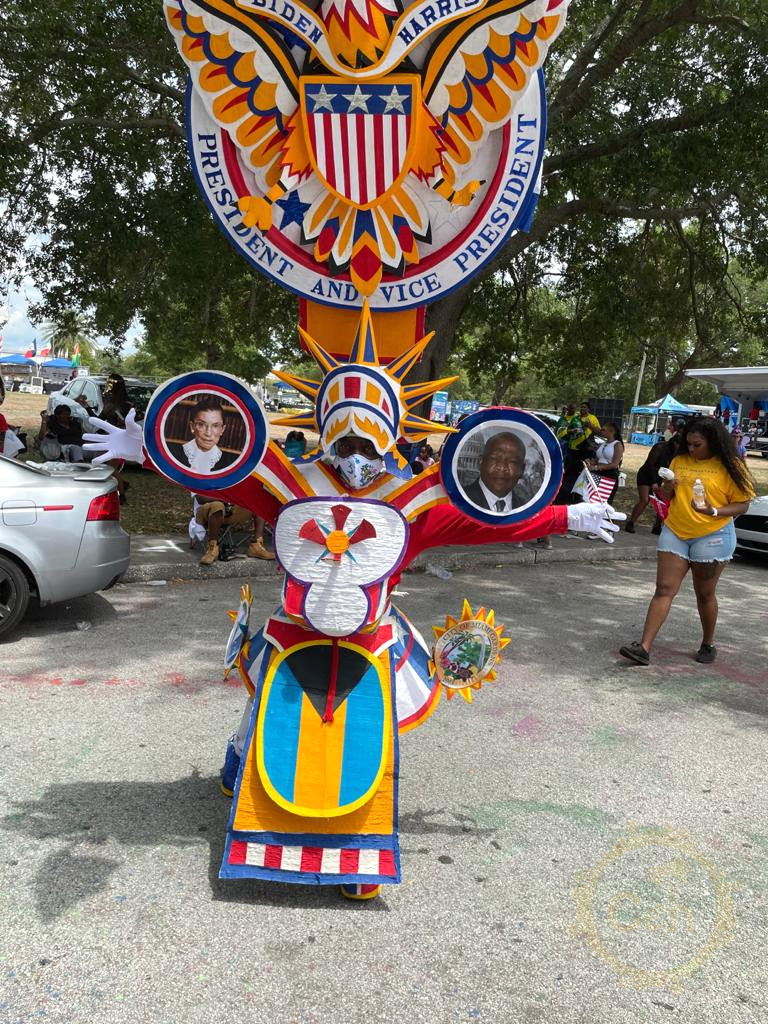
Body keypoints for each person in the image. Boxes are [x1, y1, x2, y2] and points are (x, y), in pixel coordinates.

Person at [83, 305, 624, 900]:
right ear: (325, 427)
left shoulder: (410, 499)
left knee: (372, 735)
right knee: (263, 712)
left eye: (367, 434)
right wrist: (147, 449)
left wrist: (566, 514)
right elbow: (224, 478)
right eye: (344, 433)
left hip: (370, 641)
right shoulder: (294, 485)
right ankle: (239, 769)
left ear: (391, 432)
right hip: (295, 630)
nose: (355, 448)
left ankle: (354, 856)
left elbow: (486, 521)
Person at [619, 417, 755, 667]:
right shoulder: (679, 461)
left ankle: (708, 643)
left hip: (713, 535)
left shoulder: (730, 465)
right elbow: (665, 495)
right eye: (688, 444)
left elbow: (743, 504)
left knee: (704, 594)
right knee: (664, 589)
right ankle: (644, 648)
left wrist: (714, 511)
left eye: (697, 445)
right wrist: (668, 486)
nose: (691, 450)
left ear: (713, 442)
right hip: (676, 531)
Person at [625, 419, 685, 534]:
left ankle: (657, 526)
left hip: (661, 478)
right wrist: (653, 482)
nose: (678, 449)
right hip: (647, 474)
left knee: (663, 502)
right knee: (645, 500)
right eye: (677, 446)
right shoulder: (660, 447)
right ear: (674, 443)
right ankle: (631, 522)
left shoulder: (678, 455)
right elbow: (650, 465)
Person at [167, 396, 239, 473]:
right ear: (192, 427)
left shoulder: (230, 463)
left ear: (222, 430)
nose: (208, 433)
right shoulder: (172, 454)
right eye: (201, 424)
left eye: (215, 426)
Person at [194, 498, 275, 564]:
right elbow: (200, 498)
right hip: (206, 511)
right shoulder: (199, 477)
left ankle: (256, 547)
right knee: (217, 505)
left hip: (231, 509)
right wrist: (226, 498)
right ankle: (212, 548)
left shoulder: (228, 478)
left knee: (258, 503)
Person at [463, 432, 526, 512]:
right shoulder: (455, 500)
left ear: (522, 469)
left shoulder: (531, 511)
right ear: (481, 461)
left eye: (512, 462)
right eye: (494, 459)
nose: (502, 467)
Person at [100, 374, 134, 504]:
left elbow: (101, 418)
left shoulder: (122, 404)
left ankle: (121, 495)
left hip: (116, 438)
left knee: (110, 468)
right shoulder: (127, 403)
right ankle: (121, 486)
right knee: (106, 467)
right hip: (111, 437)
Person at [586, 422, 624, 503]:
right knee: (593, 500)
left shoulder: (617, 444)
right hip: (597, 474)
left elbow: (614, 464)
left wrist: (597, 467)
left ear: (611, 432)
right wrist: (590, 461)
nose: (601, 431)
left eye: (603, 430)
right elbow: (597, 459)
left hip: (609, 475)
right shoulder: (603, 443)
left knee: (604, 502)